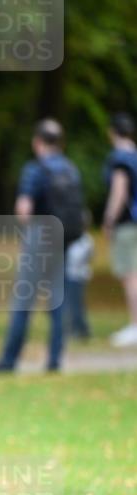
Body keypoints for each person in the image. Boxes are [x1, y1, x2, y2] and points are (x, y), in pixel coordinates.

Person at [0, 118, 84, 374]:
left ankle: (8, 360)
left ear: (37, 141)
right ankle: (55, 360)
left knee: (23, 299)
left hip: (39, 234)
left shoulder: (35, 169)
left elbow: (24, 209)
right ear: (60, 141)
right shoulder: (71, 169)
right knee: (58, 299)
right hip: (62, 237)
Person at [102, 112, 137, 347]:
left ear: (112, 132)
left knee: (130, 275)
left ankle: (134, 325)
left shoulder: (120, 158)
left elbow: (119, 190)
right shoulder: (134, 154)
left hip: (128, 223)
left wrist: (109, 219)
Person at [63, 211, 94, 339]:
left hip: (77, 277)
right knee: (68, 304)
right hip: (69, 275)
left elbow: (78, 258)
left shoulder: (85, 240)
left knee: (76, 305)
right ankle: (71, 328)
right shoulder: (72, 238)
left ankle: (81, 329)